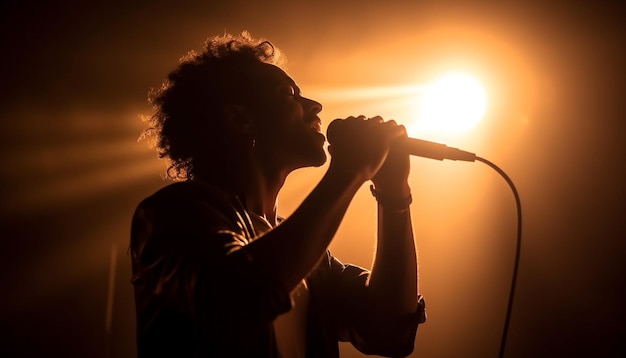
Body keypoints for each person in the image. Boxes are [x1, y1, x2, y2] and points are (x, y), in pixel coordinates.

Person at [130, 31, 425, 358]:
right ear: (240, 118)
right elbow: (238, 298)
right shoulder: (170, 215)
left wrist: (394, 196)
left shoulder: (314, 261)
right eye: (289, 94)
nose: (315, 105)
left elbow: (388, 331)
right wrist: (349, 172)